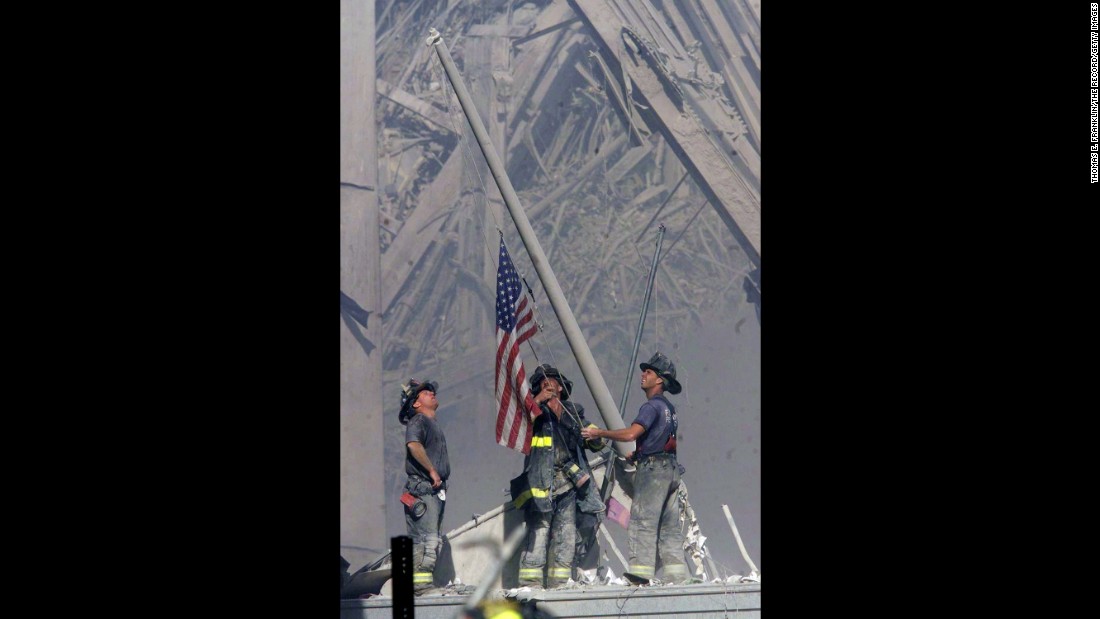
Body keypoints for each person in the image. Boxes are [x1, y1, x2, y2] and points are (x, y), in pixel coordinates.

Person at [581, 351, 691, 585]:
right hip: (670, 470)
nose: (643, 375)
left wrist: (598, 432)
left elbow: (631, 433)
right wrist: (639, 452)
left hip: (653, 473)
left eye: (649, 372)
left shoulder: (651, 407)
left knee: (643, 521)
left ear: (659, 379)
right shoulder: (669, 408)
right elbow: (661, 438)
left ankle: (641, 574)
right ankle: (678, 576)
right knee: (668, 526)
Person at [514, 364, 606, 589]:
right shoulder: (534, 413)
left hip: (569, 485)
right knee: (539, 532)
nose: (546, 382)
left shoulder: (574, 412)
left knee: (566, 536)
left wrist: (594, 436)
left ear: (561, 388)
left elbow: (597, 441)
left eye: (551, 379)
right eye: (541, 381)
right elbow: (519, 424)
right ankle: (530, 583)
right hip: (540, 484)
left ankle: (559, 583)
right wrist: (536, 401)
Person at [398, 379, 450, 595]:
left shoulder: (431, 423)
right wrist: (431, 470)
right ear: (416, 404)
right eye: (426, 393)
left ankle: (423, 584)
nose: (431, 394)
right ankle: (420, 586)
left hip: (434, 491)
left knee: (432, 539)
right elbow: (414, 445)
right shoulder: (418, 420)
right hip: (423, 488)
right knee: (425, 540)